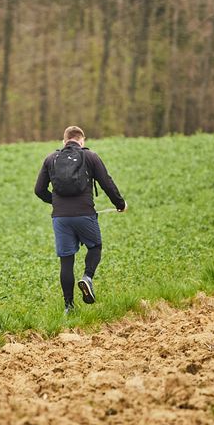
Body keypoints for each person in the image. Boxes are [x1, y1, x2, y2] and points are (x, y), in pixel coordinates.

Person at [34, 126, 126, 313]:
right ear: (82, 140)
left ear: (64, 141)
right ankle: (87, 277)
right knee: (95, 247)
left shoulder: (51, 159)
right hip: (85, 213)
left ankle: (69, 306)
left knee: (66, 261)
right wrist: (119, 203)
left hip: (61, 218)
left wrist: (56, 202)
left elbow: (39, 190)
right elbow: (106, 182)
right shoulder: (90, 156)